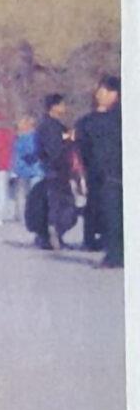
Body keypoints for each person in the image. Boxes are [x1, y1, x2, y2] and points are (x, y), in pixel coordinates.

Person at [78, 76, 123, 267]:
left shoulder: (114, 118)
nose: (98, 95)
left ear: (114, 94)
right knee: (110, 215)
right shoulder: (90, 120)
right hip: (103, 174)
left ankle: (115, 255)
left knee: (113, 215)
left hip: (111, 173)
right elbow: (84, 149)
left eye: (102, 91)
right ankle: (114, 252)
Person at [35, 93, 76, 250]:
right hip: (56, 171)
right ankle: (51, 234)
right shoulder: (49, 127)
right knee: (63, 206)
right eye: (62, 104)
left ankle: (52, 236)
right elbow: (53, 150)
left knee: (62, 206)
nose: (64, 108)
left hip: (59, 171)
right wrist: (67, 141)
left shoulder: (56, 125)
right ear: (54, 107)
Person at [11, 115, 43, 223]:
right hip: (35, 169)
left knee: (21, 194)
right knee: (34, 194)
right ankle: (33, 215)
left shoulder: (17, 138)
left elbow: (15, 155)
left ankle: (21, 215)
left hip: (22, 169)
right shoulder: (36, 137)